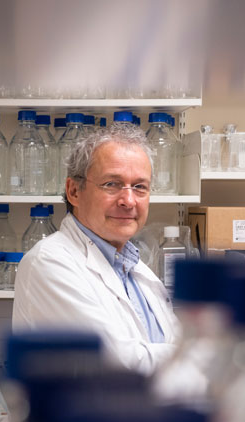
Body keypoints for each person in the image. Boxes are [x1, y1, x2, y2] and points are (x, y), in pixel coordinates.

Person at [12, 123, 179, 374]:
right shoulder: (48, 263)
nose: (128, 200)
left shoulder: (134, 267)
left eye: (140, 187)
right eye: (112, 184)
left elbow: (179, 345)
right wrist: (199, 359)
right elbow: (120, 365)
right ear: (74, 191)